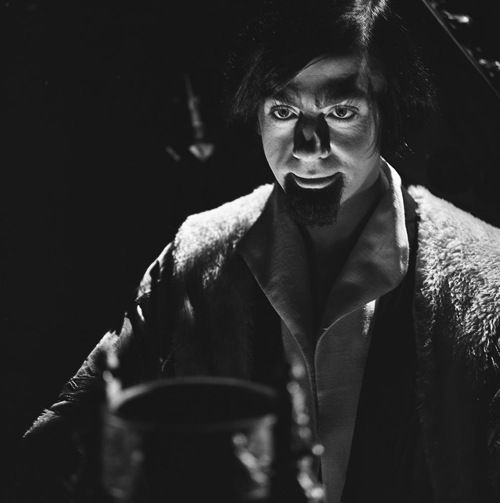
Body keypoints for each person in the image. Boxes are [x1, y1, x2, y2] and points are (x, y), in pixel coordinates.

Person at [19, 0, 500, 502]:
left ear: (391, 110)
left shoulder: (485, 280)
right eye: (283, 112)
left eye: (341, 111)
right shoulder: (195, 259)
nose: (308, 147)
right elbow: (59, 445)